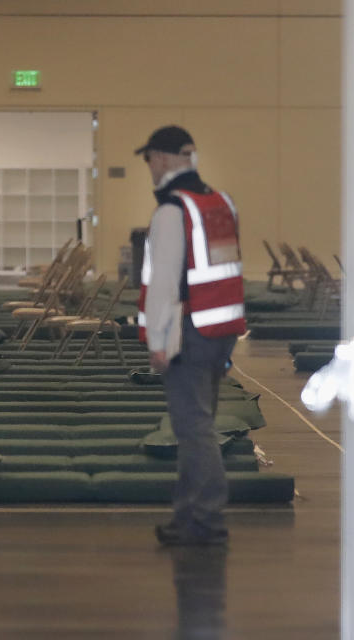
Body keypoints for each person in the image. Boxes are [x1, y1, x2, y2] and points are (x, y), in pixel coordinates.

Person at [135, 126, 246, 546]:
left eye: (149, 160)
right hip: (221, 330)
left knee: (194, 430)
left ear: (161, 159)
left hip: (189, 334)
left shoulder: (172, 212)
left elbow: (163, 284)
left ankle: (206, 519)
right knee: (198, 425)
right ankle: (189, 517)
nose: (149, 168)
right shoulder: (220, 204)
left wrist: (157, 343)